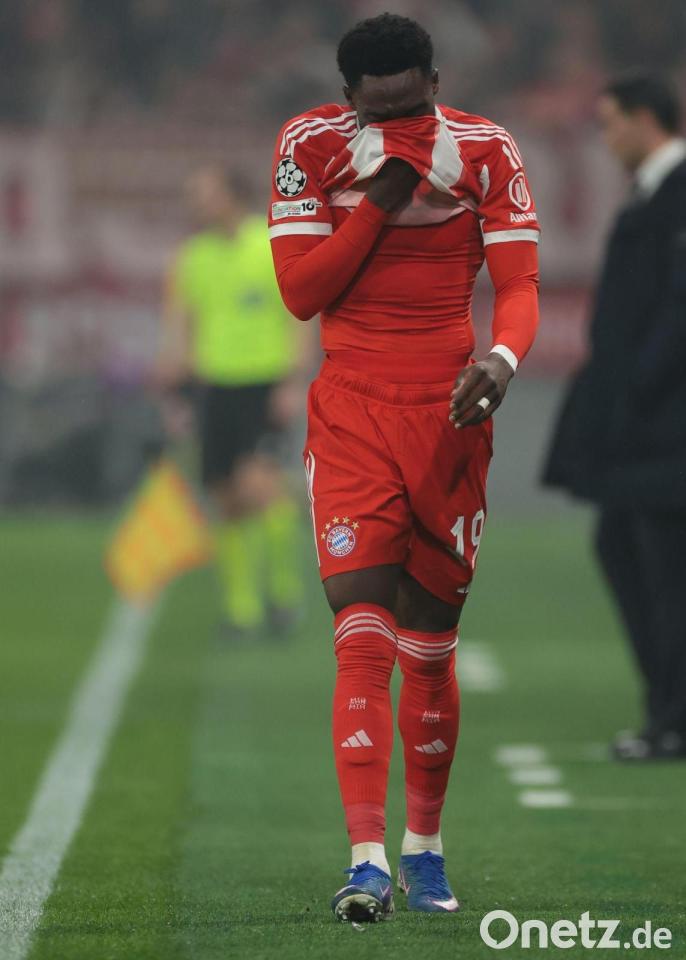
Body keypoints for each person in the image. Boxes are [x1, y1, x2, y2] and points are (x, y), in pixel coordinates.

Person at [268, 14, 540, 921]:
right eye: (379, 109)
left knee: (429, 643)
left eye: (413, 104)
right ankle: (367, 862)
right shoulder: (310, 145)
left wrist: (502, 358)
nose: (401, 121)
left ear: (436, 80)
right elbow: (302, 293)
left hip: (450, 415)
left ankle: (425, 847)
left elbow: (520, 283)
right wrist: (381, 196)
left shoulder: (487, 149)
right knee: (361, 630)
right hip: (352, 411)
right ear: (348, 97)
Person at [543, 74, 686, 762]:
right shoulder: (654, 193)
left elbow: (676, 313)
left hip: (666, 426)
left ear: (645, 118)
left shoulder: (678, 192)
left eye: (611, 123)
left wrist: (636, 388)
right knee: (629, 550)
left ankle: (673, 719)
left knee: (665, 570)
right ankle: (666, 711)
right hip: (648, 423)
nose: (605, 139)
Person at [156, 165, 310, 640]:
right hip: (212, 388)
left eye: (205, 193)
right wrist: (174, 387)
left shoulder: (269, 246)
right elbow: (181, 325)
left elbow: (299, 313)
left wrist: (292, 381)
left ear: (231, 195)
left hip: (261, 383)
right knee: (225, 497)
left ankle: (283, 593)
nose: (196, 203)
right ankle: (242, 610)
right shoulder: (192, 257)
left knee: (258, 488)